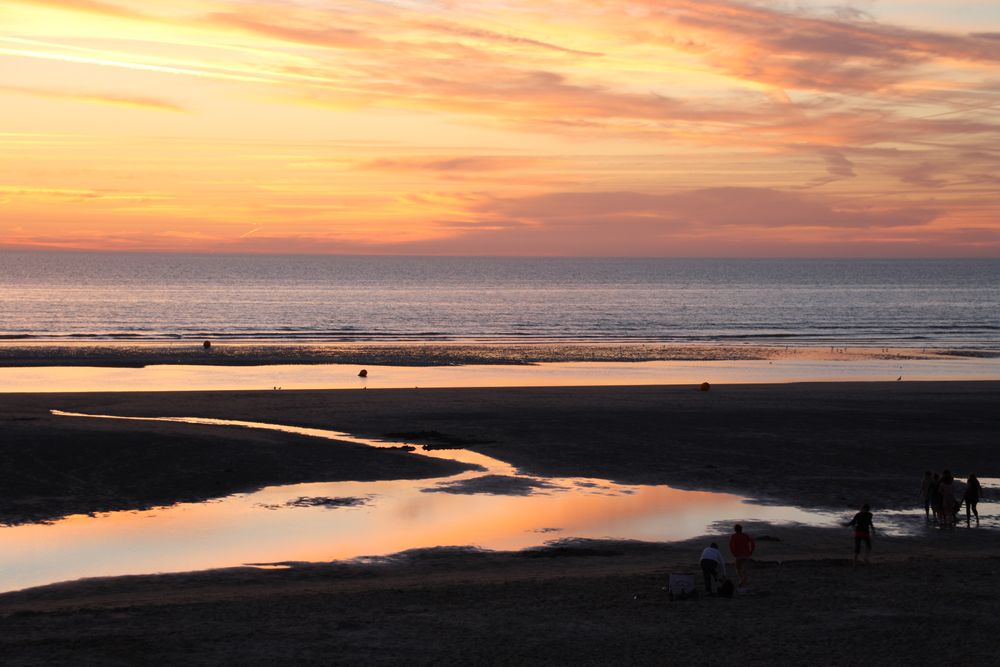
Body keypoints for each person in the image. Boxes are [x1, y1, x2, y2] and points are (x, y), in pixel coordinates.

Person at [729, 524, 756, 589]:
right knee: (744, 569)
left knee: (738, 569)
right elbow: (753, 543)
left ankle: (742, 580)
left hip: (738, 555)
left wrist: (733, 553)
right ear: (741, 529)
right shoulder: (745, 535)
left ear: (735, 529)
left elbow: (730, 546)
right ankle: (744, 580)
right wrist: (751, 551)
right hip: (746, 554)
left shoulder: (734, 536)